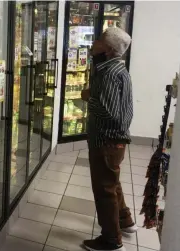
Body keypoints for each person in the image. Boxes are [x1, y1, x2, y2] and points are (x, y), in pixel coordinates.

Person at [81, 27, 137, 251]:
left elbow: (111, 113)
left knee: (104, 190)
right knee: (112, 184)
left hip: (106, 141)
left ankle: (112, 240)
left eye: (100, 40)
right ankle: (125, 221)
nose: (95, 43)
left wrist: (89, 97)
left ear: (109, 49)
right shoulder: (115, 70)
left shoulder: (109, 74)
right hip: (115, 142)